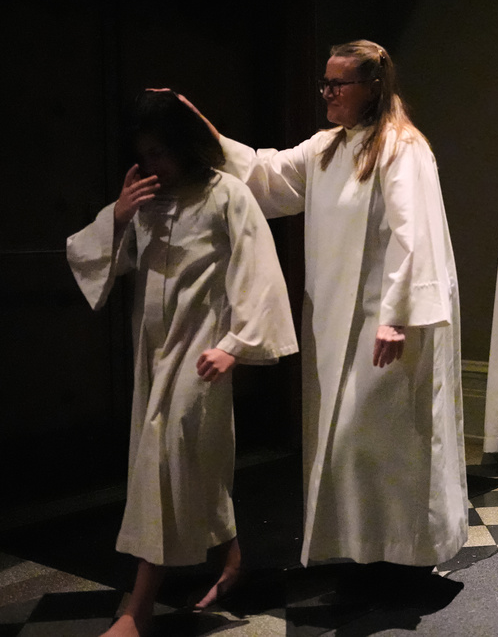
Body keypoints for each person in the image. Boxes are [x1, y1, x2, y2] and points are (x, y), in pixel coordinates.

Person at [184, 40, 468, 577]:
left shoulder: (402, 147)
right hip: (337, 321)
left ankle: (404, 556)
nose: (327, 93)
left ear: (372, 87)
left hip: (387, 323)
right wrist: (204, 134)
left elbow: (415, 235)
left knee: (383, 441)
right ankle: (362, 553)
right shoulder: (326, 148)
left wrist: (397, 316)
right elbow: (266, 175)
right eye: (326, 83)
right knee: (345, 445)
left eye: (339, 84)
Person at [67, 91, 298, 637]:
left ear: (186, 146)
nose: (154, 166)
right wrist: (119, 215)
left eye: (161, 153)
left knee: (165, 463)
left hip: (200, 356)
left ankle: (138, 609)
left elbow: (258, 271)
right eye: (144, 155)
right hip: (153, 355)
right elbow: (105, 259)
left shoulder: (225, 194)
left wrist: (236, 345)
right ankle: (232, 558)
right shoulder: (148, 201)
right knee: (190, 464)